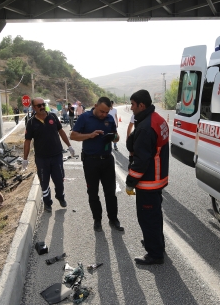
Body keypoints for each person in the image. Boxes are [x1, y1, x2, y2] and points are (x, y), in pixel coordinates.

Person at [125, 89, 169, 265]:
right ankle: (156, 243)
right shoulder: (157, 119)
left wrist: (130, 182)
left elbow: (141, 161)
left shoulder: (145, 127)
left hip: (149, 181)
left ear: (141, 105)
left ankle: (155, 254)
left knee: (147, 218)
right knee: (155, 215)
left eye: (133, 105)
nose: (131, 108)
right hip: (158, 178)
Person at [70, 96, 123, 232]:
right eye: (102, 111)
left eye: (107, 112)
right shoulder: (84, 117)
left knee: (110, 192)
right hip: (90, 160)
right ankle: (97, 220)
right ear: (95, 106)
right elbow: (73, 136)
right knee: (93, 192)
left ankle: (113, 219)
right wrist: (90, 135)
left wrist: (114, 137)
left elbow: (117, 137)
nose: (104, 115)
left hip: (107, 160)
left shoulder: (110, 119)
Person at [23, 97, 75, 212]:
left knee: (59, 179)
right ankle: (47, 203)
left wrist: (69, 146)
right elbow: (27, 141)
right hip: (42, 159)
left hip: (56, 156)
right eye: (39, 105)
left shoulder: (53, 117)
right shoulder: (31, 123)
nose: (42, 107)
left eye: (43, 104)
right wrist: (25, 158)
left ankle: (60, 197)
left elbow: (61, 131)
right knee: (44, 182)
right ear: (34, 107)